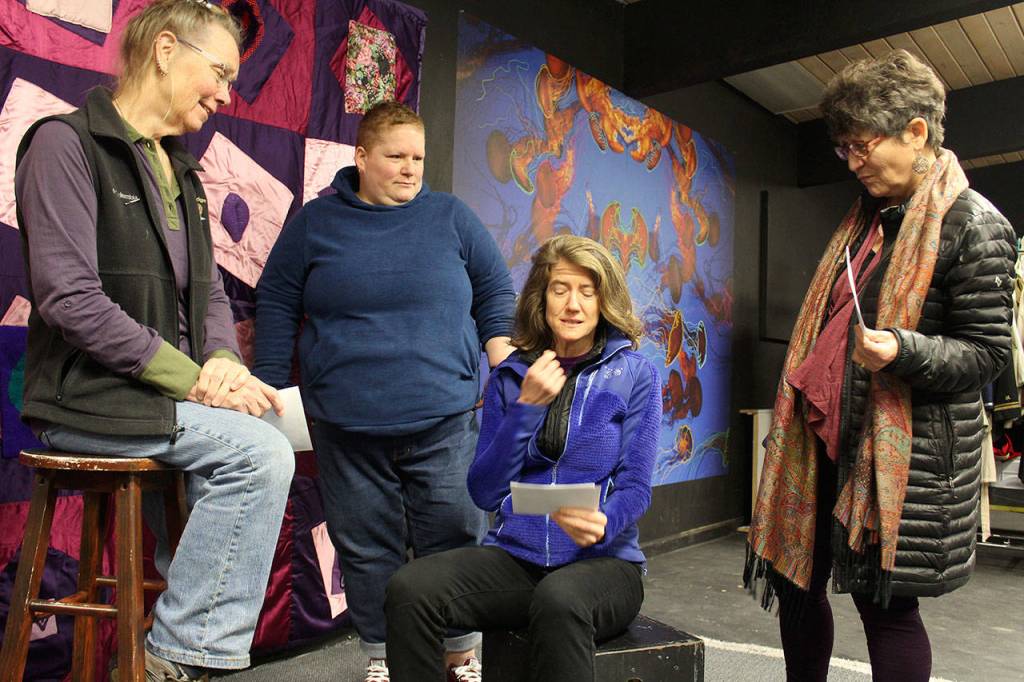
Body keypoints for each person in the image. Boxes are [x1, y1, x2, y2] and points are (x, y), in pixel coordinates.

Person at [10, 1, 296, 680]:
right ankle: (179, 660)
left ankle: (180, 643)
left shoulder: (186, 175)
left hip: (154, 402)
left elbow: (213, 299)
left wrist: (223, 361)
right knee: (258, 455)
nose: (227, 94)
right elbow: (70, 300)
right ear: (167, 49)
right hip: (87, 401)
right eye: (220, 73)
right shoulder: (63, 144)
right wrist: (196, 380)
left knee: (265, 426)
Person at [744, 49, 1016, 682]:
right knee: (796, 582)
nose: (854, 162)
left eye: (862, 146)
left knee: (884, 608)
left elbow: (986, 354)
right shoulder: (867, 223)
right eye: (844, 150)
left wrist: (903, 348)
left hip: (902, 459)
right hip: (824, 442)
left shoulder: (975, 226)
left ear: (916, 131)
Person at [253, 101, 516, 682]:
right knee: (367, 547)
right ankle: (383, 655)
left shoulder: (451, 217)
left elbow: (495, 289)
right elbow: (275, 300)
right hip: (346, 425)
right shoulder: (316, 224)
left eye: (418, 157)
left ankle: (459, 652)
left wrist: (501, 355)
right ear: (361, 156)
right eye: (395, 156)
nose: (409, 168)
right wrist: (272, 384)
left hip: (445, 420)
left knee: (454, 537)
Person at [383, 234, 661, 682]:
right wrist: (526, 408)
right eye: (560, 289)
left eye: (587, 292)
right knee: (410, 588)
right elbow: (485, 491)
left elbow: (636, 486)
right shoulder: (511, 376)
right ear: (541, 298)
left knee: (560, 598)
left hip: (605, 566)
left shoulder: (635, 374)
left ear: (603, 300)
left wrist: (606, 520)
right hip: (518, 561)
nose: (573, 305)